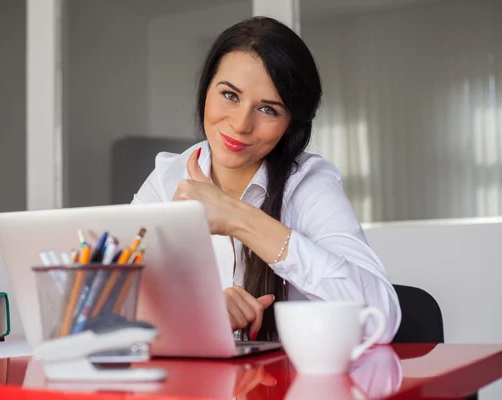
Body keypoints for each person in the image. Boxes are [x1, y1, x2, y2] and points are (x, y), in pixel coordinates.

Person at [132, 16, 401, 342]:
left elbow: (380, 318)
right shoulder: (166, 179)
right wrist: (201, 316)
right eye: (230, 95)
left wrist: (238, 218)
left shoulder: (309, 184)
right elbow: (110, 310)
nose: (242, 124)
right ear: (206, 90)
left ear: (291, 123)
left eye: (268, 109)